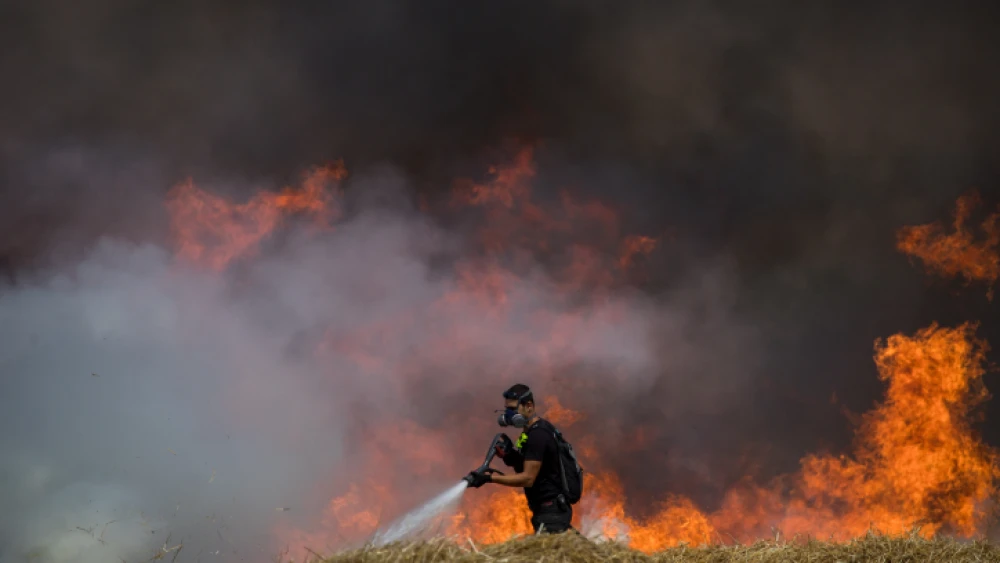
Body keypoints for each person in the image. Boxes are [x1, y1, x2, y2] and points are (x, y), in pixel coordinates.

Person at [465, 384, 574, 534]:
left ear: (529, 406)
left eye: (513, 410)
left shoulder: (538, 435)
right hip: (549, 509)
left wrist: (489, 478)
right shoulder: (531, 432)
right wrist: (511, 457)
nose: (509, 415)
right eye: (507, 410)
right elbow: (534, 468)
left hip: (551, 510)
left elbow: (528, 479)